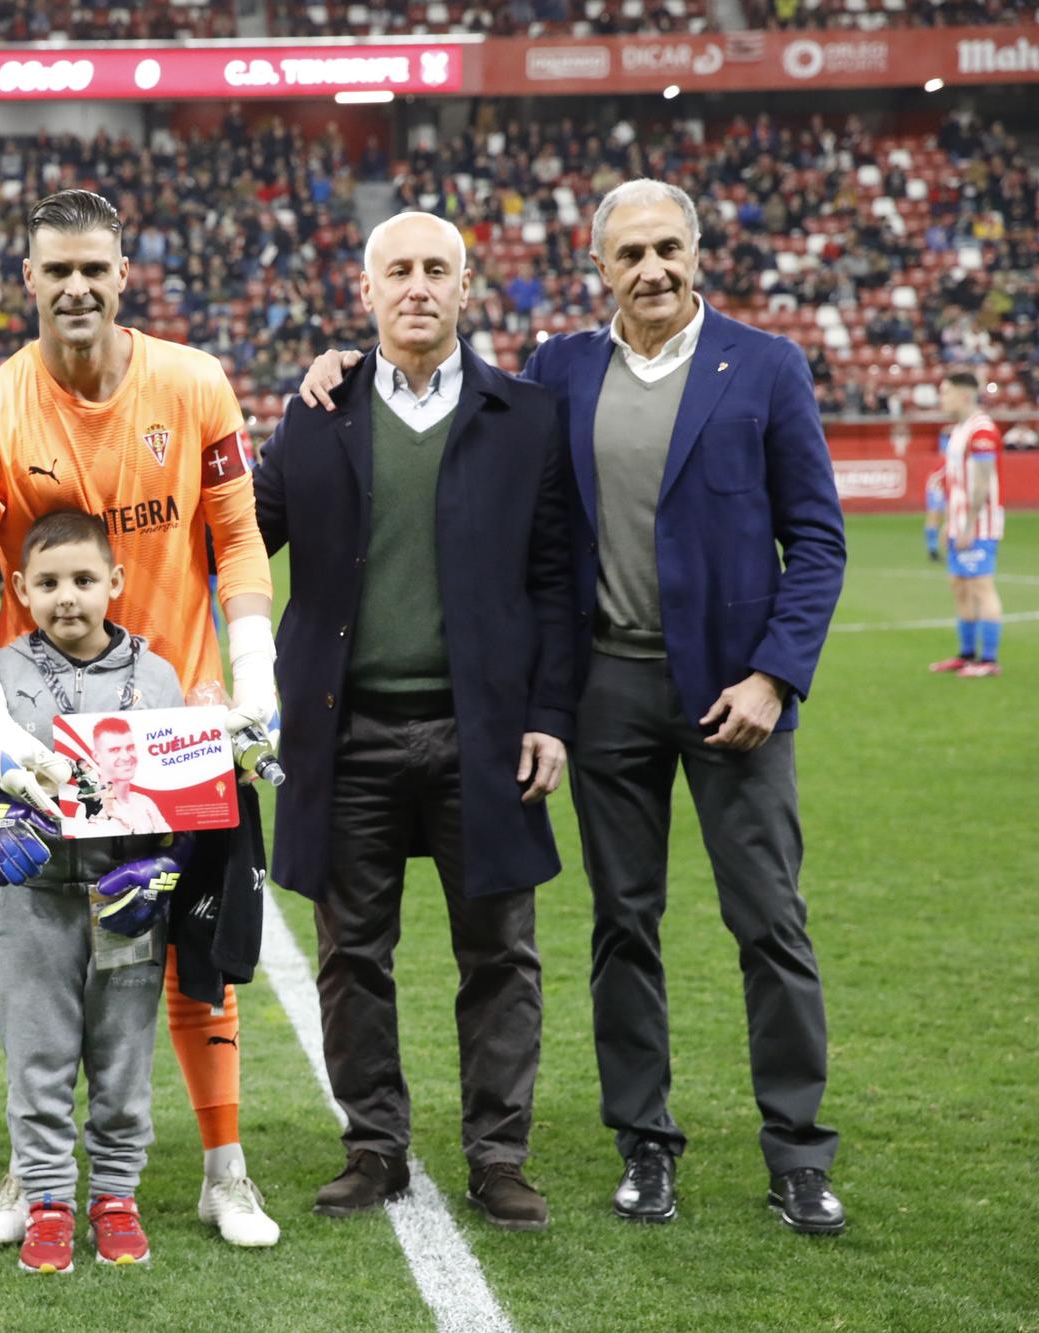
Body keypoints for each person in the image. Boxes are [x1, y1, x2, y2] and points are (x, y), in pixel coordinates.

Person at [300, 180, 849, 1235]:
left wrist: (773, 676)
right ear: (596, 268)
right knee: (621, 922)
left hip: (734, 692)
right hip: (603, 690)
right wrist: (341, 364)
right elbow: (442, 382)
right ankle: (643, 1145)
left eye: (666, 249)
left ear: (697, 253)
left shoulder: (766, 367)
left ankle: (795, 1151)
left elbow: (815, 539)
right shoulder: (559, 369)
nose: (649, 269)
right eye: (627, 253)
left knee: (769, 921)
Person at [0, 188, 281, 1248]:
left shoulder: (193, 382)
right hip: (43, 727)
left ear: (124, 274)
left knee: (191, 946)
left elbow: (237, 538)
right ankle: (30, 1179)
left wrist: (251, 674)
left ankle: (224, 1169)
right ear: (26, 281)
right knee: (37, 947)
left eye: (94, 268)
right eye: (55, 270)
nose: (74, 286)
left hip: (180, 716)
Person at [257, 212, 574, 1231]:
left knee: (499, 955)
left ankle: (497, 1155)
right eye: (396, 270)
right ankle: (374, 1145)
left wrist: (548, 716)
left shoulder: (525, 415)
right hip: (343, 736)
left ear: (466, 286)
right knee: (352, 955)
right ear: (363, 293)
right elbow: (242, 532)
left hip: (480, 733)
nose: (416, 287)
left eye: (436, 269)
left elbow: (555, 581)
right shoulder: (314, 412)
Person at [0, 509, 191, 1274]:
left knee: (122, 1058)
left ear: (115, 582)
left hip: (127, 906)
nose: (67, 598)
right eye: (48, 583)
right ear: (19, 588)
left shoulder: (156, 677)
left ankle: (115, 1197)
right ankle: (49, 1200)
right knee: (38, 1056)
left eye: (85, 580)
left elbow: (187, 798)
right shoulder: (1, 673)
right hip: (33, 902)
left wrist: (166, 866)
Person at [927, 370, 1006, 677]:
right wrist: (950, 520)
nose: (940, 398)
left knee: (981, 586)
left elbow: (983, 484)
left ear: (963, 395)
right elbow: (956, 483)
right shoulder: (959, 430)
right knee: (959, 586)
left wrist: (970, 523)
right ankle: (966, 654)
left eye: (944, 392)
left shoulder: (982, 431)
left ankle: (989, 661)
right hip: (960, 522)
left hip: (980, 525)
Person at [81, 716, 169, 835]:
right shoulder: (90, 809)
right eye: (115, 750)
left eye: (130, 748)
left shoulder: (145, 803)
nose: (126, 757)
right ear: (97, 756)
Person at [923, 468, 945, 562]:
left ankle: (933, 551)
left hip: (944, 481)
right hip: (938, 484)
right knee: (934, 518)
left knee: (938, 518)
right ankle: (933, 551)